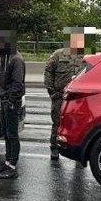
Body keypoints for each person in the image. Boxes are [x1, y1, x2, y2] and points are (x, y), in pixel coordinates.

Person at [0, 31, 25, 179]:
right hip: (4, 100)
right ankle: (7, 162)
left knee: (12, 135)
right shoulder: (4, 57)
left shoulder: (16, 60)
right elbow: (4, 77)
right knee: (6, 133)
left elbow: (17, 84)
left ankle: (12, 166)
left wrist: (11, 101)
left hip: (11, 102)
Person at [44, 28, 87, 160]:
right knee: (57, 123)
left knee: (80, 125)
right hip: (60, 96)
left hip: (78, 98)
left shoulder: (85, 57)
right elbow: (48, 72)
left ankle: (78, 151)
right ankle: (55, 148)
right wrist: (52, 92)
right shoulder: (58, 55)